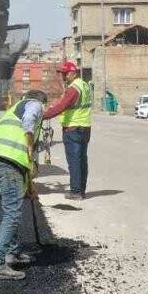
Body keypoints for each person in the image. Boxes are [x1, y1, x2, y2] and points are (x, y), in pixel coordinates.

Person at [0, 89, 48, 281]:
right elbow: (29, 121)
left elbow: (23, 165)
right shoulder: (34, 104)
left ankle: (13, 253)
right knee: (12, 214)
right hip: (8, 164)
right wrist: (30, 142)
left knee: (11, 211)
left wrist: (30, 188)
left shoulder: (12, 111)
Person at [42, 61, 93, 200]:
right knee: (82, 160)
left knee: (74, 161)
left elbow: (63, 106)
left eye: (65, 73)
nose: (63, 76)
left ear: (73, 73)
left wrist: (43, 116)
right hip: (85, 127)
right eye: (62, 74)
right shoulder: (85, 85)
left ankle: (76, 192)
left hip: (73, 129)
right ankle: (81, 190)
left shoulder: (74, 88)